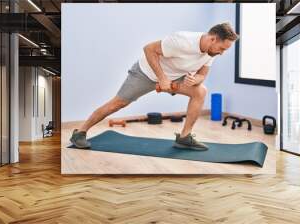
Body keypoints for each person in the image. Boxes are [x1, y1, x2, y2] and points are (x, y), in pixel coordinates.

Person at [70, 22, 239, 151]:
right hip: (147, 72)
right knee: (118, 103)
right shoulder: (182, 40)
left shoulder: (212, 51)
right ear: (213, 39)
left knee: (200, 91)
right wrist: (162, 78)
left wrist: (196, 80)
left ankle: (184, 137)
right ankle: (80, 132)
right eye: (222, 48)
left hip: (175, 76)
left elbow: (202, 75)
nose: (222, 52)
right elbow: (149, 49)